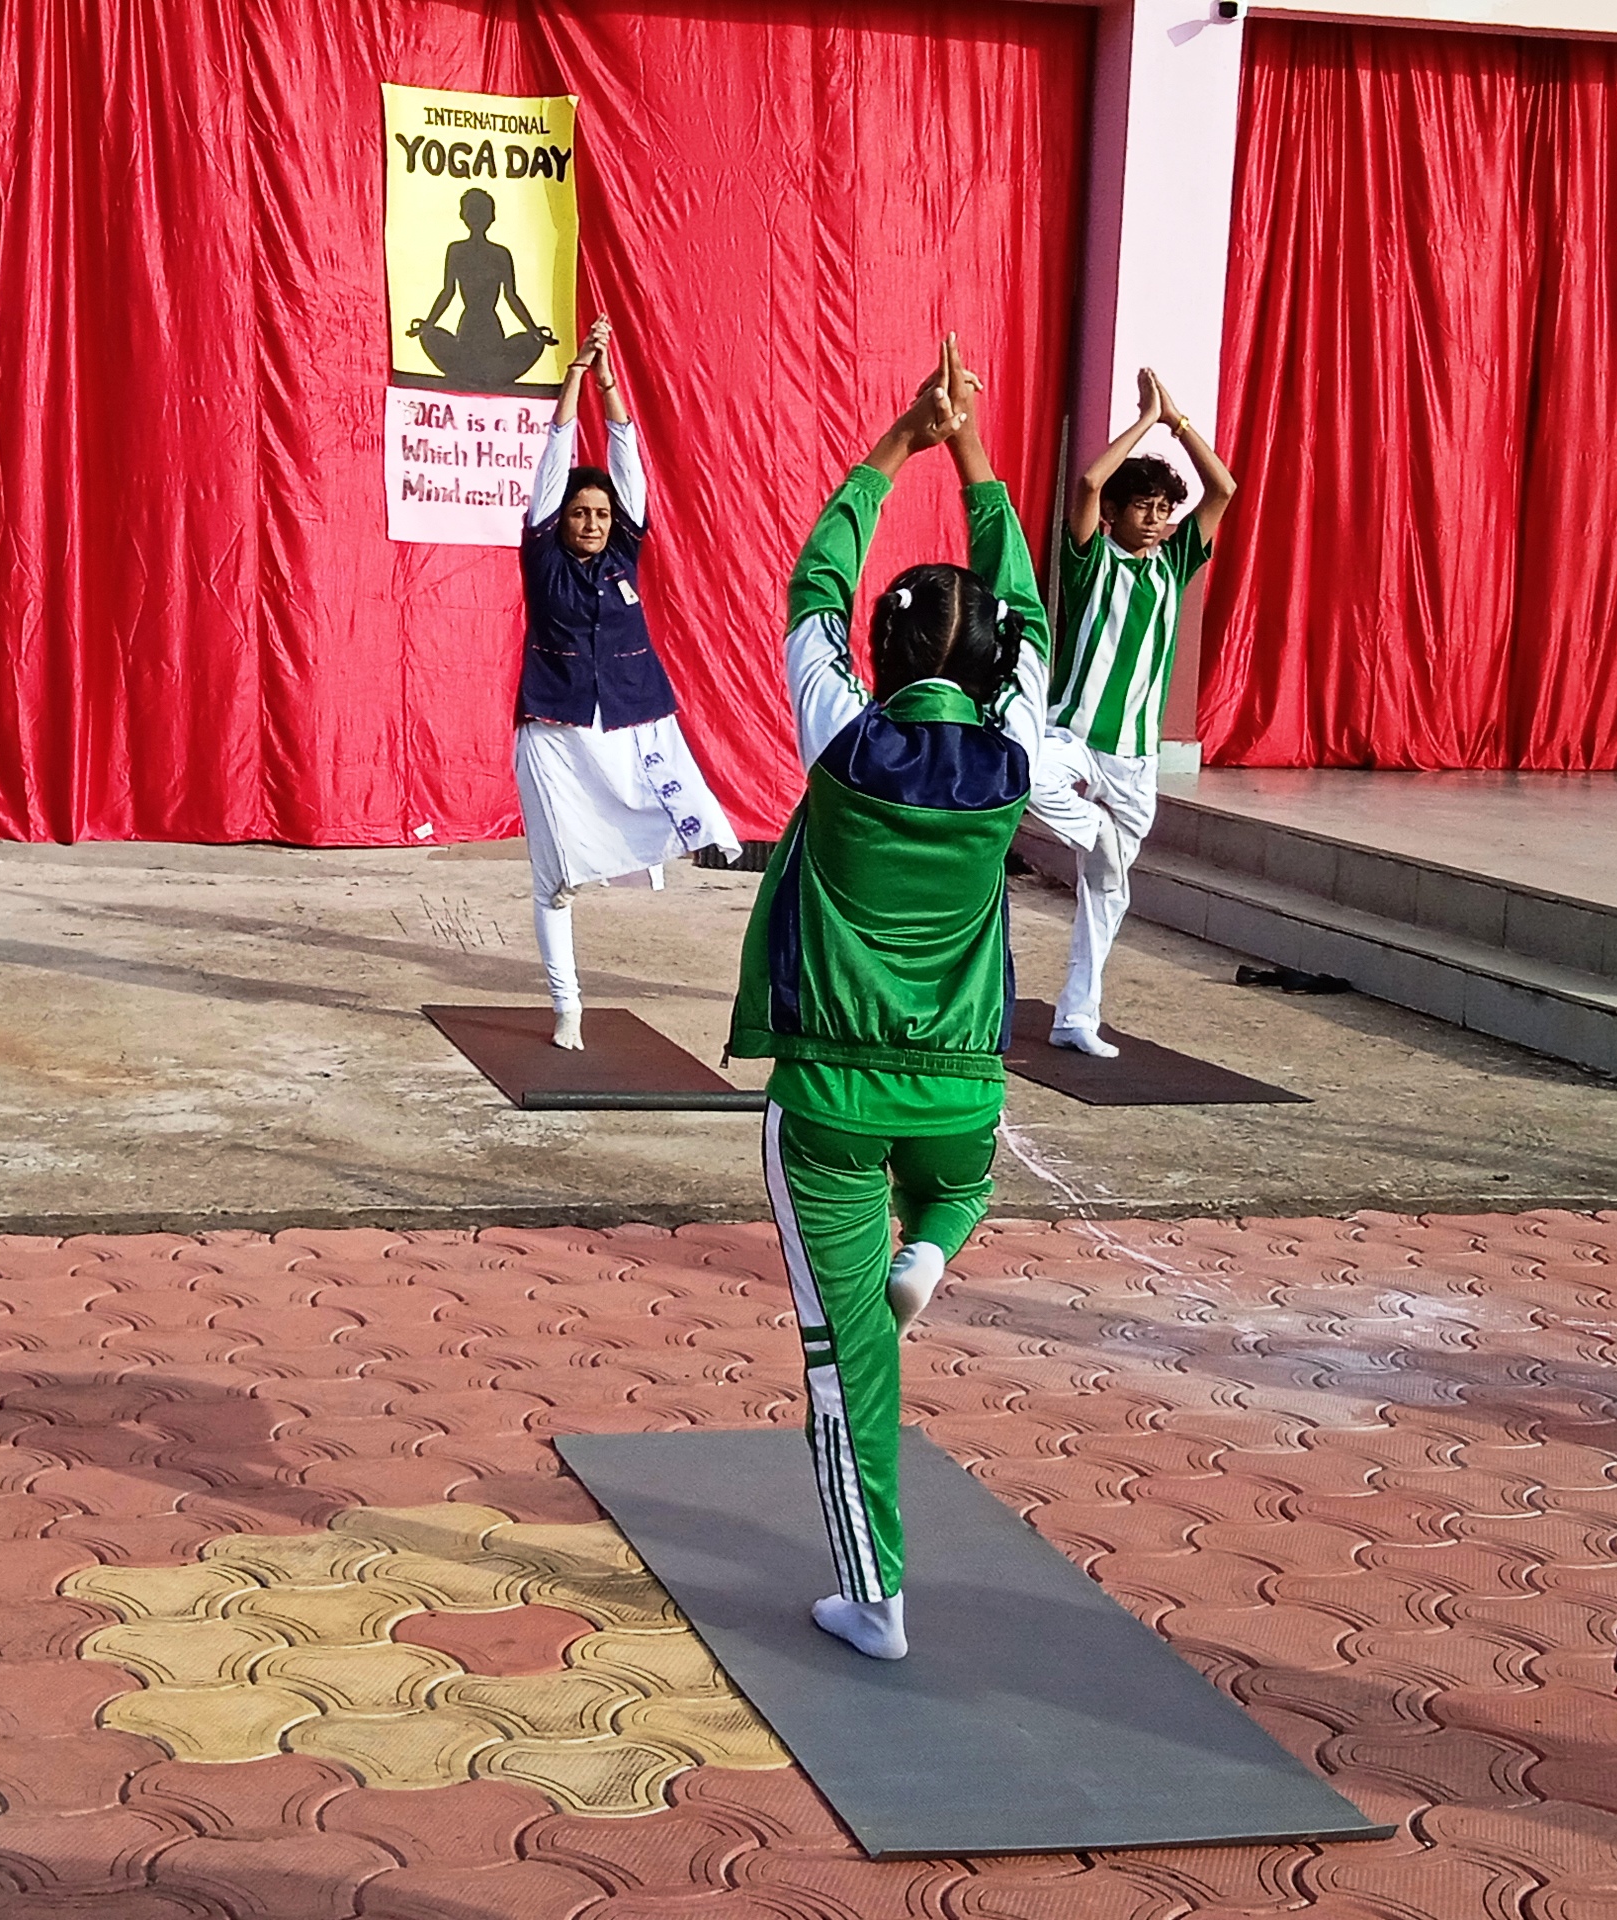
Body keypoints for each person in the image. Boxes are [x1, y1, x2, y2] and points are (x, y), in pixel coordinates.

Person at [731, 337, 1044, 1664]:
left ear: (880, 650)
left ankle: (876, 1599)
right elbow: (1025, 608)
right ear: (996, 663)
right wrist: (969, 452)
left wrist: (896, 445)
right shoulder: (1017, 748)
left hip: (831, 1099)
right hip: (961, 1096)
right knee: (959, 1187)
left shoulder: (842, 738)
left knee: (847, 1356)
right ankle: (934, 1247)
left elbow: (812, 584)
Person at [514, 316, 739, 1049]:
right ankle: (567, 1007)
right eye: (580, 513)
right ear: (559, 520)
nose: (591, 521)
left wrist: (611, 387)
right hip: (554, 729)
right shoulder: (543, 558)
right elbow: (555, 460)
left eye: (602, 514)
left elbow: (628, 461)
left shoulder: (622, 557)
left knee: (688, 815)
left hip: (630, 721)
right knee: (555, 879)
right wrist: (575, 378)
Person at [1030, 368, 1233, 1055]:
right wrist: (1145, 420)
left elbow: (1223, 490)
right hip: (1073, 735)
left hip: (1135, 759)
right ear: (1116, 514)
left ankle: (1076, 1017)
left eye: (1163, 508)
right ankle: (1098, 832)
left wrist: (1179, 423)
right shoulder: (1091, 561)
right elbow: (1090, 482)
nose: (1155, 517)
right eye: (1143, 506)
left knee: (1107, 895)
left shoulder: (1174, 563)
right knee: (1024, 771)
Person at [407, 187, 553, 391]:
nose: (477, 217)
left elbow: (511, 296)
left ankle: (490, 376)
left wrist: (533, 330)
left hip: (491, 326)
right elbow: (448, 292)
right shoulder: (456, 250)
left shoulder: (500, 254)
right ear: (463, 215)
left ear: (491, 216)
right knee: (431, 337)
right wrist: (429, 324)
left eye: (482, 211)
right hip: (468, 326)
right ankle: (467, 375)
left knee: (530, 343)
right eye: (472, 211)